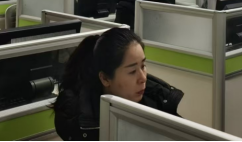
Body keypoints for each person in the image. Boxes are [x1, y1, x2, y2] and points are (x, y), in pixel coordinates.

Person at [54, 28, 183, 142]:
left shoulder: (158, 102)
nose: (143, 78)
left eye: (143, 66)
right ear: (105, 79)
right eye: (132, 71)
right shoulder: (81, 119)